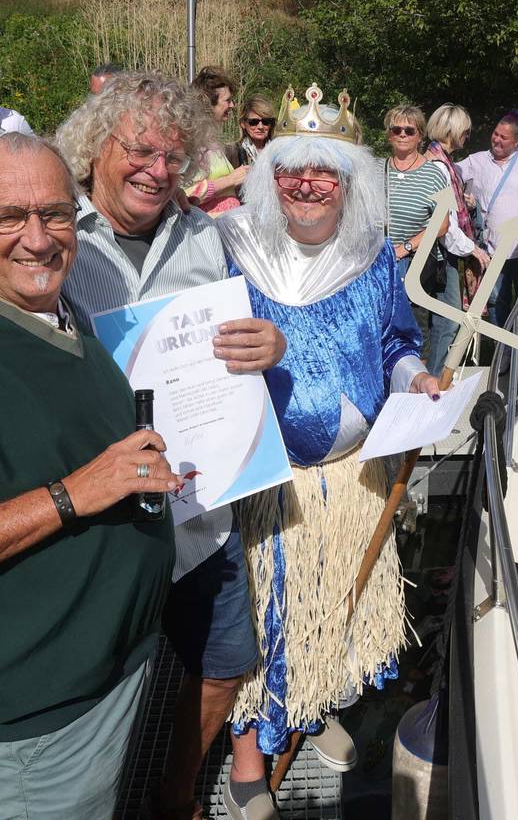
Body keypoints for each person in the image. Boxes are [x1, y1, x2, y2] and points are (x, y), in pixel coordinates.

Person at [55, 72, 287, 820]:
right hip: (101, 512)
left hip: (196, 503)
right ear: (96, 146)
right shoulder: (52, 232)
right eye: (142, 149)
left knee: (224, 666)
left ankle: (173, 792)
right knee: (100, 682)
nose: (159, 168)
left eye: (175, 156)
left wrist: (268, 343)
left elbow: (240, 337)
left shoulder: (204, 236)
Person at [216, 83, 440, 819]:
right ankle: (250, 753)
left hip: (352, 482)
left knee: (336, 608)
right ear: (269, 176)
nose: (308, 185)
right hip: (268, 485)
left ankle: (316, 710)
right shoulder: (234, 254)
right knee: (265, 618)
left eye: (325, 172)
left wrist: (418, 378)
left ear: (349, 183)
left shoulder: (373, 257)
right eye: (292, 170)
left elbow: (396, 341)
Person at [0, 132, 178, 819]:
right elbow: (77, 483)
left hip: (104, 676)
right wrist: (74, 495)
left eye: (55, 215)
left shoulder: (62, 314)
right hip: (37, 719)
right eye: (9, 217)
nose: (39, 240)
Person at [456, 109, 518, 328]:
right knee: (495, 303)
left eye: (504, 137)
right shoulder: (477, 161)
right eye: (495, 134)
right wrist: (462, 196)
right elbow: (448, 175)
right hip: (492, 250)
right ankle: (499, 354)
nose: (496, 139)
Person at [424, 103, 490, 372]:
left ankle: (435, 374)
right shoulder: (440, 167)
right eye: (466, 130)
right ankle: (436, 378)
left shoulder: (441, 162)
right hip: (442, 255)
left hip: (443, 252)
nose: (468, 135)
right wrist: (472, 249)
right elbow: (445, 223)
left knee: (442, 318)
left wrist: (463, 201)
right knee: (448, 319)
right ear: (452, 130)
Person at [383, 104, 450, 363]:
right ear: (389, 134)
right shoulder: (378, 168)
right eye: (396, 129)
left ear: (420, 135)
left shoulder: (435, 172)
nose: (402, 134)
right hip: (378, 263)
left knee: (412, 333)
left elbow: (442, 224)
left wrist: (405, 248)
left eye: (409, 130)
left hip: (414, 265)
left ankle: (415, 394)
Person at [184, 66, 248, 216]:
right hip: (206, 231)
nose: (232, 105)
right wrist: (231, 179)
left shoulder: (211, 140)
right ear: (208, 103)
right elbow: (187, 195)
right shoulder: (193, 143)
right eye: (228, 100)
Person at [225, 95, 276, 169]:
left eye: (266, 121)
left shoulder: (279, 152)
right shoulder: (230, 152)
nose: (260, 127)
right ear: (243, 123)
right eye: (253, 122)